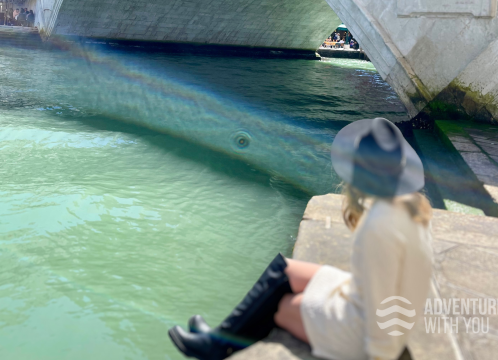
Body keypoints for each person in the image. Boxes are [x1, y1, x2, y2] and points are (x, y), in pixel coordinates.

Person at [168, 118, 433, 360]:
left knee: (279, 307)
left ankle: (215, 347)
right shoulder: (412, 208)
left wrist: (380, 354)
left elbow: (382, 305)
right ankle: (216, 338)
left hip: (362, 333)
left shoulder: (378, 226)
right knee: (284, 269)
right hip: (378, 309)